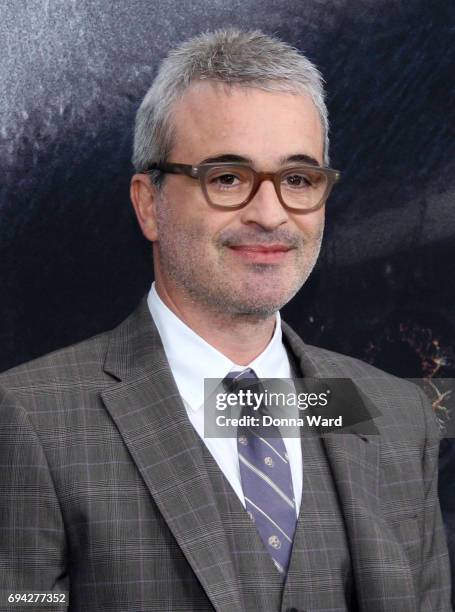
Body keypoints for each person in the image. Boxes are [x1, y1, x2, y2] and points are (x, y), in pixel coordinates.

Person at [0, 29, 450, 612]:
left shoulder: (397, 415)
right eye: (228, 179)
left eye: (297, 179)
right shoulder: (28, 418)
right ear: (148, 204)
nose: (270, 214)